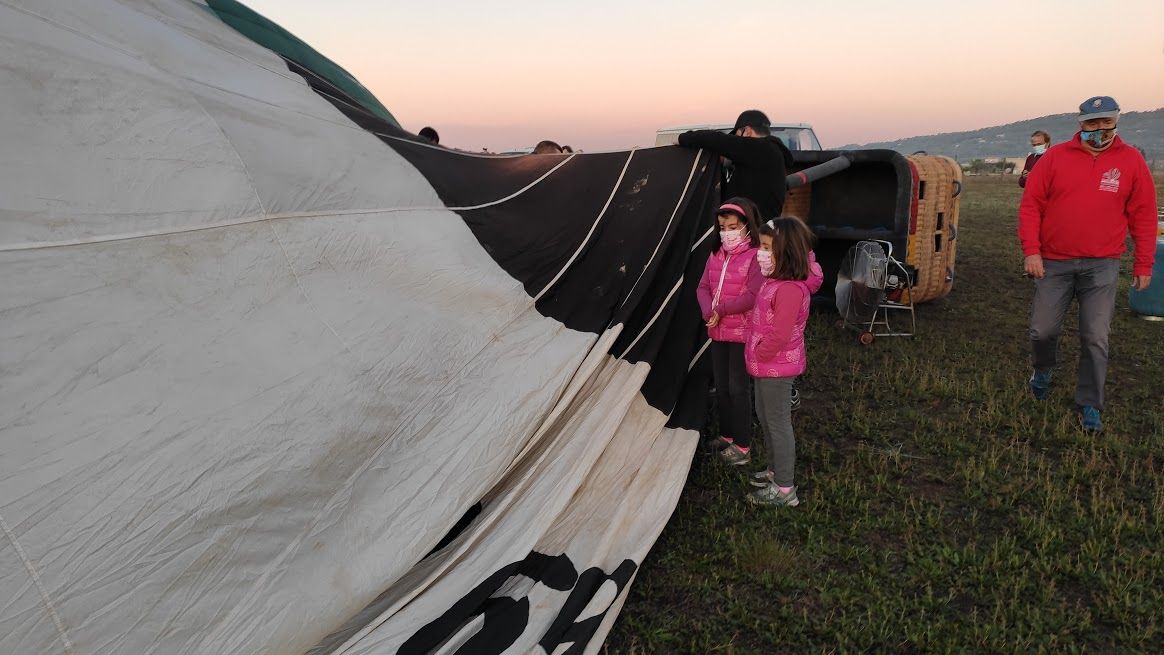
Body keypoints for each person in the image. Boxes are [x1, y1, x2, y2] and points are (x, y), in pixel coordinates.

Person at [1018, 95, 1157, 432]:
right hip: (1053, 262)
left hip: (1102, 265)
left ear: (1116, 122)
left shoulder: (1131, 161)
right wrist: (1031, 250)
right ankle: (1043, 370)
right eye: (1092, 123)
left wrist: (1143, 264)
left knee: (1095, 336)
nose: (1099, 129)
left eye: (1106, 122)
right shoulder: (1054, 158)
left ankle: (1090, 403)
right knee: (1043, 329)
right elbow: (1031, 205)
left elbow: (1143, 214)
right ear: (1080, 124)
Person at [745, 216, 816, 506]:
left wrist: (759, 353)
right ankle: (775, 471)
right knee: (766, 417)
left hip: (776, 365)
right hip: (766, 365)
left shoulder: (788, 289)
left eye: (765, 247)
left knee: (778, 423)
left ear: (784, 252)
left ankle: (785, 489)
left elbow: (781, 333)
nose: (760, 253)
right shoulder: (774, 282)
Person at [697, 198, 763, 466]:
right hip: (718, 331)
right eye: (723, 227)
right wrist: (706, 311)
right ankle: (726, 435)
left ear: (747, 226)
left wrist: (721, 310)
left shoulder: (754, 257)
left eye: (733, 227)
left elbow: (752, 296)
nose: (727, 233)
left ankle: (742, 444)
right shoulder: (716, 254)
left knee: (738, 388)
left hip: (741, 333)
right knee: (722, 386)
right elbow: (702, 287)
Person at [676, 110, 794, 220]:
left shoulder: (761, 148)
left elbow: (715, 139)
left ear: (747, 131)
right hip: (759, 225)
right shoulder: (768, 153)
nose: (736, 140)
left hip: (753, 229)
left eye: (737, 136)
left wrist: (682, 138)